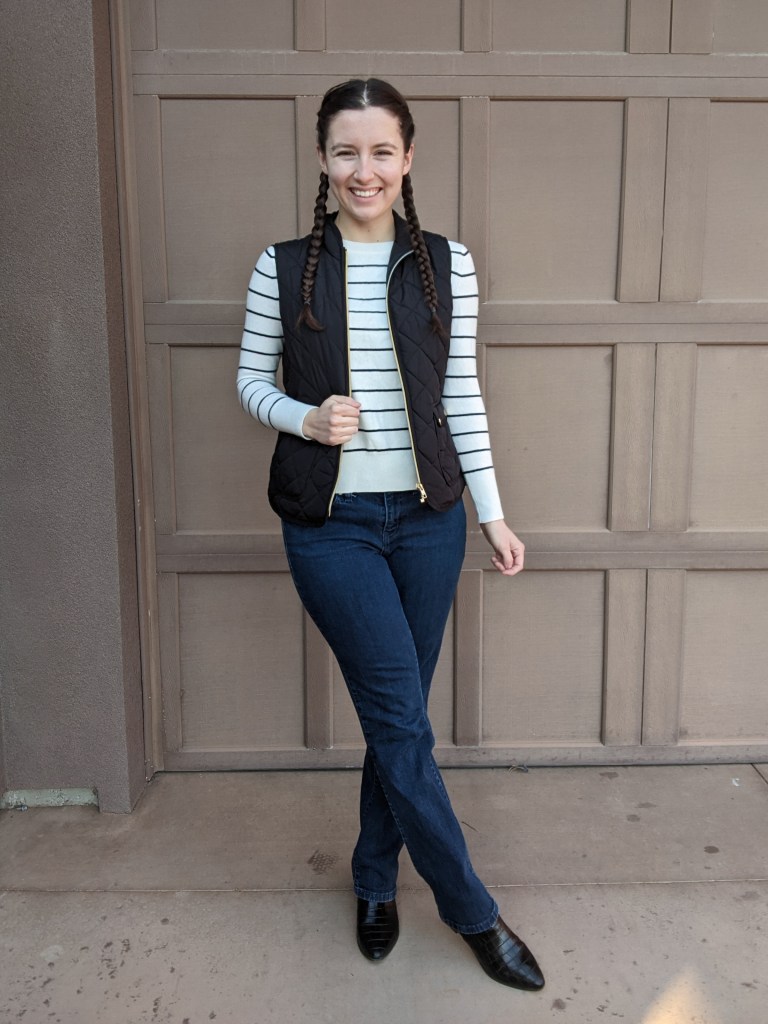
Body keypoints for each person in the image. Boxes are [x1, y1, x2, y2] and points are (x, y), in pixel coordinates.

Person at [236, 78, 544, 992]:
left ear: (407, 159)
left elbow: (461, 399)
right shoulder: (282, 266)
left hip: (427, 523)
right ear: (322, 162)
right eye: (344, 152)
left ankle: (375, 883)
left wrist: (490, 511)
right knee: (404, 720)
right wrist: (305, 416)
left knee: (392, 720)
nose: (362, 170)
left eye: (380, 151)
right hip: (331, 528)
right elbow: (249, 382)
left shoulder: (448, 264)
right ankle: (473, 913)